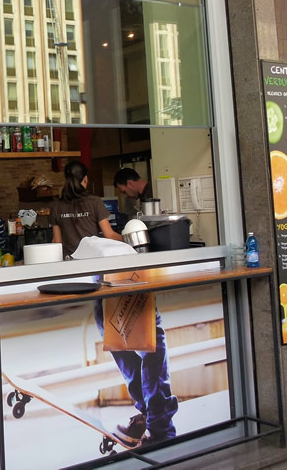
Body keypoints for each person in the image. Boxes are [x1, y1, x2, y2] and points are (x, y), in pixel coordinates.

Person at [104, 167, 178, 447]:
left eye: (123, 189)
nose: (123, 194)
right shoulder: (140, 201)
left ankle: (159, 423)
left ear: (131, 183)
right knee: (119, 339)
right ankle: (150, 413)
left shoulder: (155, 195)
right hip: (118, 277)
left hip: (141, 274)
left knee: (149, 342)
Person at [50, 161, 123, 257]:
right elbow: (109, 235)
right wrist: (127, 239)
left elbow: (57, 241)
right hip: (91, 260)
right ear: (85, 179)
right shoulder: (94, 202)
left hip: (68, 262)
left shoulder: (56, 206)